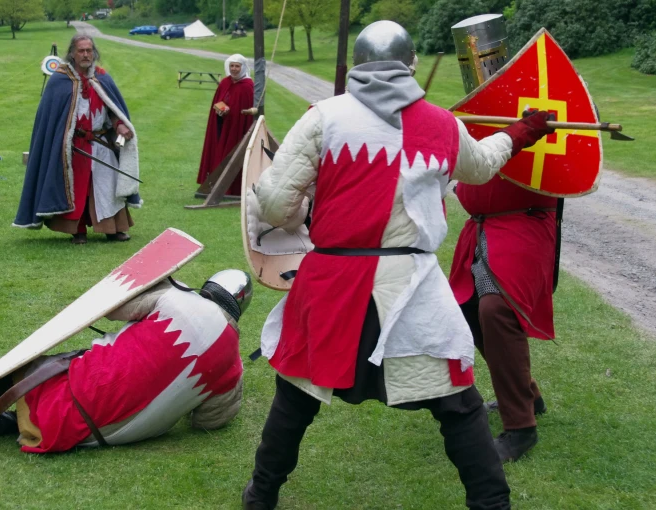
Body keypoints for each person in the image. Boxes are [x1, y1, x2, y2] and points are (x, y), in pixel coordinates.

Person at [242, 21, 556, 510]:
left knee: (296, 398)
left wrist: (304, 207)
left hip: (333, 282)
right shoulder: (443, 124)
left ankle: (260, 497)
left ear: (357, 66)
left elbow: (276, 206)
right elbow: (481, 165)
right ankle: (492, 504)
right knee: (457, 405)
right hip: (409, 284)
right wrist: (521, 132)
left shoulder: (323, 117)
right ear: (410, 65)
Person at [0, 270, 253, 452]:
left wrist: (162, 283)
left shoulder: (176, 300)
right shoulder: (233, 370)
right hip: (106, 439)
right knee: (67, 368)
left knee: (21, 366)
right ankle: (4, 420)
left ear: (209, 288)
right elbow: (208, 422)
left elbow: (113, 309)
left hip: (69, 412)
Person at [449, 129, 556, 463]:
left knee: (497, 309)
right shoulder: (485, 114)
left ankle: (521, 428)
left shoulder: (542, 114)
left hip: (523, 224)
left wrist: (535, 127)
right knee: (466, 309)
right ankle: (528, 396)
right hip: (480, 226)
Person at [13, 34, 142, 245]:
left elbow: (113, 108)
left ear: (94, 53)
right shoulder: (60, 80)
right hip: (74, 148)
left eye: (89, 50)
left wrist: (119, 124)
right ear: (72, 53)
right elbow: (51, 121)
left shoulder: (102, 78)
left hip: (101, 143)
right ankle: (77, 230)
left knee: (107, 186)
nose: (85, 54)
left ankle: (113, 228)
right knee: (78, 187)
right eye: (81, 50)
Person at [196, 54, 255, 197]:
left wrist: (233, 112)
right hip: (221, 125)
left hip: (237, 128)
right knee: (218, 152)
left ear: (243, 67)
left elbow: (246, 110)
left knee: (232, 153)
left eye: (237, 66)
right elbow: (218, 101)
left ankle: (232, 187)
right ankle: (214, 183)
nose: (234, 69)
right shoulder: (225, 82)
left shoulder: (248, 86)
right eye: (232, 66)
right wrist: (220, 110)